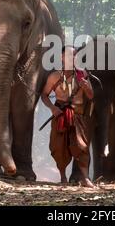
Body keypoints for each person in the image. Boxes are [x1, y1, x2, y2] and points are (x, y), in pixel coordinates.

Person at [41, 45, 95, 187]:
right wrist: (52, 108)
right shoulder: (54, 76)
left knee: (81, 146)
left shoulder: (82, 74)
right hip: (60, 116)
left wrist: (86, 86)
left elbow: (91, 95)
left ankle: (85, 178)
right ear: (62, 57)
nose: (72, 58)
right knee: (59, 147)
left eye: (74, 56)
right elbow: (44, 95)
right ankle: (63, 177)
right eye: (68, 55)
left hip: (78, 116)